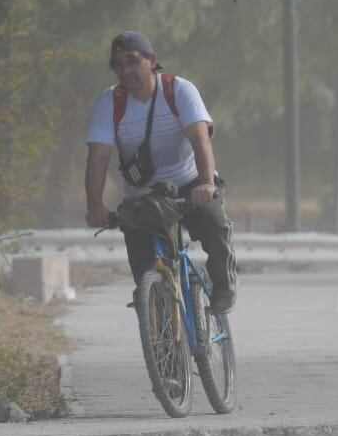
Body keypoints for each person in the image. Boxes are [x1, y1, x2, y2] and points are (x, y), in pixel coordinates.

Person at [84, 31, 238, 313]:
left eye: (132, 61)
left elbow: (200, 139)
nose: (125, 70)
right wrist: (95, 206)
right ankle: (162, 340)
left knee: (212, 222)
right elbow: (98, 158)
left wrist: (206, 184)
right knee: (146, 274)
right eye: (117, 65)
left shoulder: (178, 90)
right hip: (143, 195)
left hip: (190, 185)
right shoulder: (110, 103)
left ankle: (224, 286)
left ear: (152, 61)